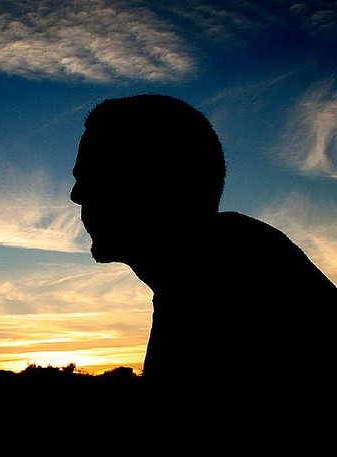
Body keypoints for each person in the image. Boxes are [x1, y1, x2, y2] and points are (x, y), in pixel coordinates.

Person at [70, 94, 336, 404]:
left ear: (160, 180)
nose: (77, 195)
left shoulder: (235, 289)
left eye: (95, 176)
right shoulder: (202, 276)